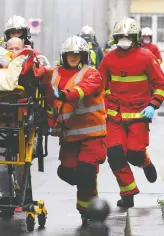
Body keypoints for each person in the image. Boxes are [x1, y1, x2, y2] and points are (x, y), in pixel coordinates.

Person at [39, 35, 106, 225]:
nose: (74, 58)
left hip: (92, 135)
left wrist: (64, 94)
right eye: (70, 55)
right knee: (66, 172)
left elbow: (83, 89)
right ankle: (88, 203)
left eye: (77, 55)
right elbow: (37, 74)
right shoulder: (54, 72)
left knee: (86, 171)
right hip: (69, 136)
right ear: (64, 56)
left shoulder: (92, 73)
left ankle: (88, 211)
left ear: (83, 56)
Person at [99, 17, 164, 208]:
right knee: (115, 155)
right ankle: (128, 193)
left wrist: (153, 104)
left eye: (128, 36)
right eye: (121, 36)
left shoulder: (146, 57)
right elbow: (99, 84)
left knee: (134, 154)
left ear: (135, 37)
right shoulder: (109, 58)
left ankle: (144, 162)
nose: (124, 39)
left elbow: (160, 84)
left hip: (139, 115)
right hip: (114, 116)